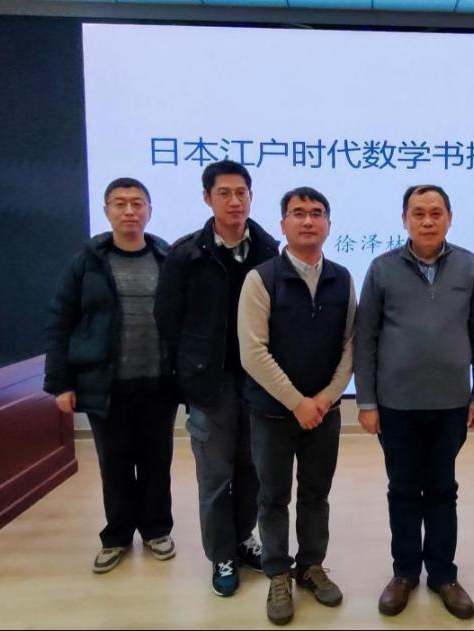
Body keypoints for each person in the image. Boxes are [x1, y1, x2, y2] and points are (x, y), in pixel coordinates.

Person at [354, 185, 474, 620]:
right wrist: (366, 400)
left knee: (442, 489)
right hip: (396, 405)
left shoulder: (469, 264)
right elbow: (366, 337)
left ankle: (444, 575)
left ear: (449, 218)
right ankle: (404, 573)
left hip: (451, 404)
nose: (428, 221)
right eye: (418, 213)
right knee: (402, 490)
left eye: (436, 212)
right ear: (405, 219)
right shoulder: (382, 268)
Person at [155, 160, 279, 597]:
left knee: (252, 469)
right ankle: (221, 554)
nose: (234, 201)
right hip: (210, 384)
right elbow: (168, 321)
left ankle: (243, 538)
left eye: (241, 192)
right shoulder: (186, 254)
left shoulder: (269, 250)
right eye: (224, 193)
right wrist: (187, 376)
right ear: (207, 198)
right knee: (215, 475)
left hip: (258, 381)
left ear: (251, 197)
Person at [44, 177, 179, 574]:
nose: (129, 211)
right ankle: (117, 536)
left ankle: (156, 530)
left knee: (157, 462)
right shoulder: (86, 263)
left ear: (150, 211)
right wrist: (61, 383)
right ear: (106, 211)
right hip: (107, 384)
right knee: (114, 463)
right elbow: (61, 322)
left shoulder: (167, 259)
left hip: (158, 382)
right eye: (120, 203)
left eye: (137, 203)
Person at [237, 187, 355, 625]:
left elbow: (350, 345)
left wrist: (325, 399)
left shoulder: (342, 278)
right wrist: (296, 402)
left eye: (317, 213)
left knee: (315, 494)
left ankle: (311, 566)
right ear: (283, 224)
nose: (308, 221)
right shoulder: (261, 278)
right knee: (272, 496)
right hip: (271, 413)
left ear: (329, 224)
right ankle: (277, 573)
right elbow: (253, 352)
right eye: (298, 213)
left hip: (324, 412)